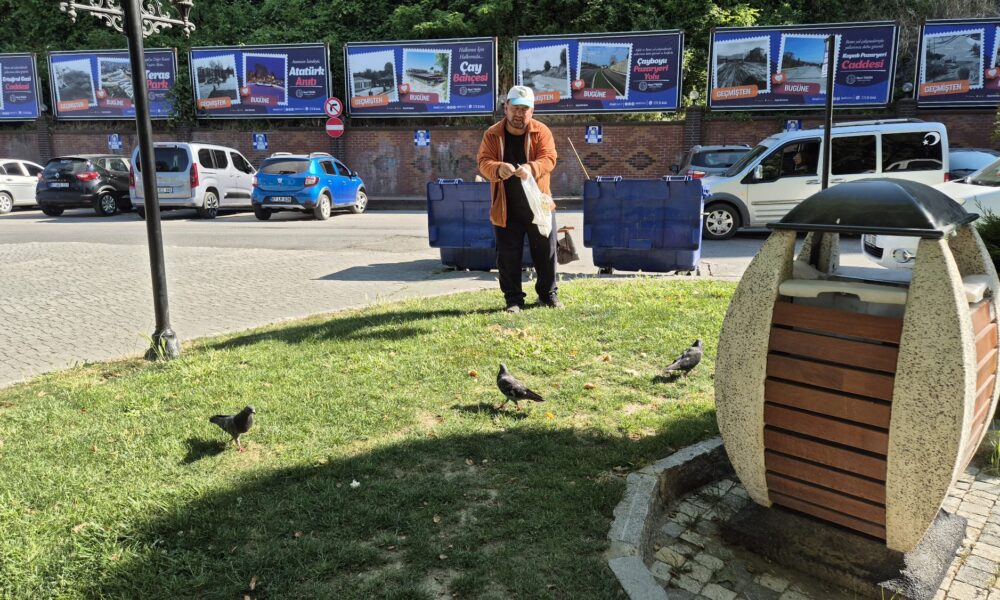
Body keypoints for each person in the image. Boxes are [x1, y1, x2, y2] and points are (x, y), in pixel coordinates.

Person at [477, 85, 560, 313]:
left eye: (525, 109)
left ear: (532, 111)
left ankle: (547, 295)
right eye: (515, 108)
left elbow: (549, 158)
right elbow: (483, 162)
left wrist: (531, 168)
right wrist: (497, 168)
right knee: (508, 256)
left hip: (539, 205)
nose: (519, 114)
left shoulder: (542, 131)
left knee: (546, 253)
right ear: (506, 108)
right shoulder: (492, 134)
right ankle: (513, 301)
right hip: (506, 207)